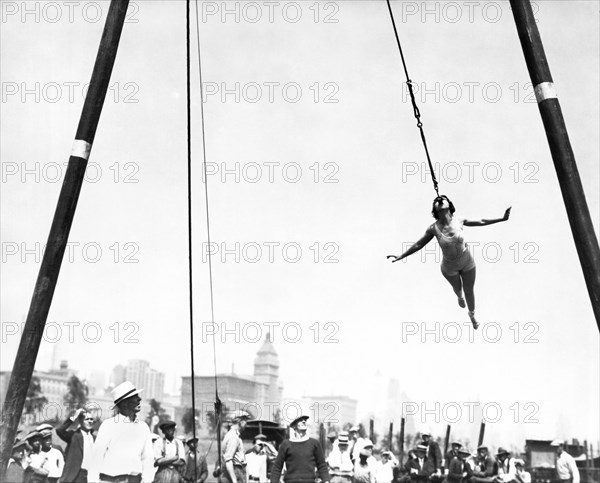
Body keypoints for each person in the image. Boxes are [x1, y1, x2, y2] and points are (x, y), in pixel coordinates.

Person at [387, 195, 511, 328]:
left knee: (469, 290)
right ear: (434, 209)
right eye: (436, 201)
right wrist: (401, 255)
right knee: (458, 288)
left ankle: (472, 314)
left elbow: (481, 221)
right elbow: (419, 244)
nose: (439, 201)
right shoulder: (433, 228)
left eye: (443, 199)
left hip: (467, 262)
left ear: (449, 204)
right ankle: (459, 296)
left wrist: (502, 219)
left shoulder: (459, 221)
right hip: (449, 267)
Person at [87, 381, 155, 483]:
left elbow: (148, 460)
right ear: (124, 404)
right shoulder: (108, 426)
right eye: (135, 397)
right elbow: (96, 460)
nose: (139, 399)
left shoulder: (143, 428)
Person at [270, 415, 330, 483]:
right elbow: (277, 467)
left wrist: (326, 480)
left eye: (305, 420)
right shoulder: (286, 444)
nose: (304, 421)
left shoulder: (314, 443)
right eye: (300, 420)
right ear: (294, 426)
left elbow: (321, 465)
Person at [56, 405, 97, 483]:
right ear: (81, 421)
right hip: (75, 476)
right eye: (87, 419)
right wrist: (74, 417)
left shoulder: (95, 438)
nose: (90, 421)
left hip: (91, 476)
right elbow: (59, 430)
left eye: (91, 419)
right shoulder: (73, 436)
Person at [222, 410, 251, 483]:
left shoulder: (236, 436)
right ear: (240, 421)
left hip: (239, 472)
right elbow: (228, 461)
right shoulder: (233, 437)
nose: (246, 424)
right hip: (236, 472)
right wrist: (234, 481)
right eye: (245, 420)